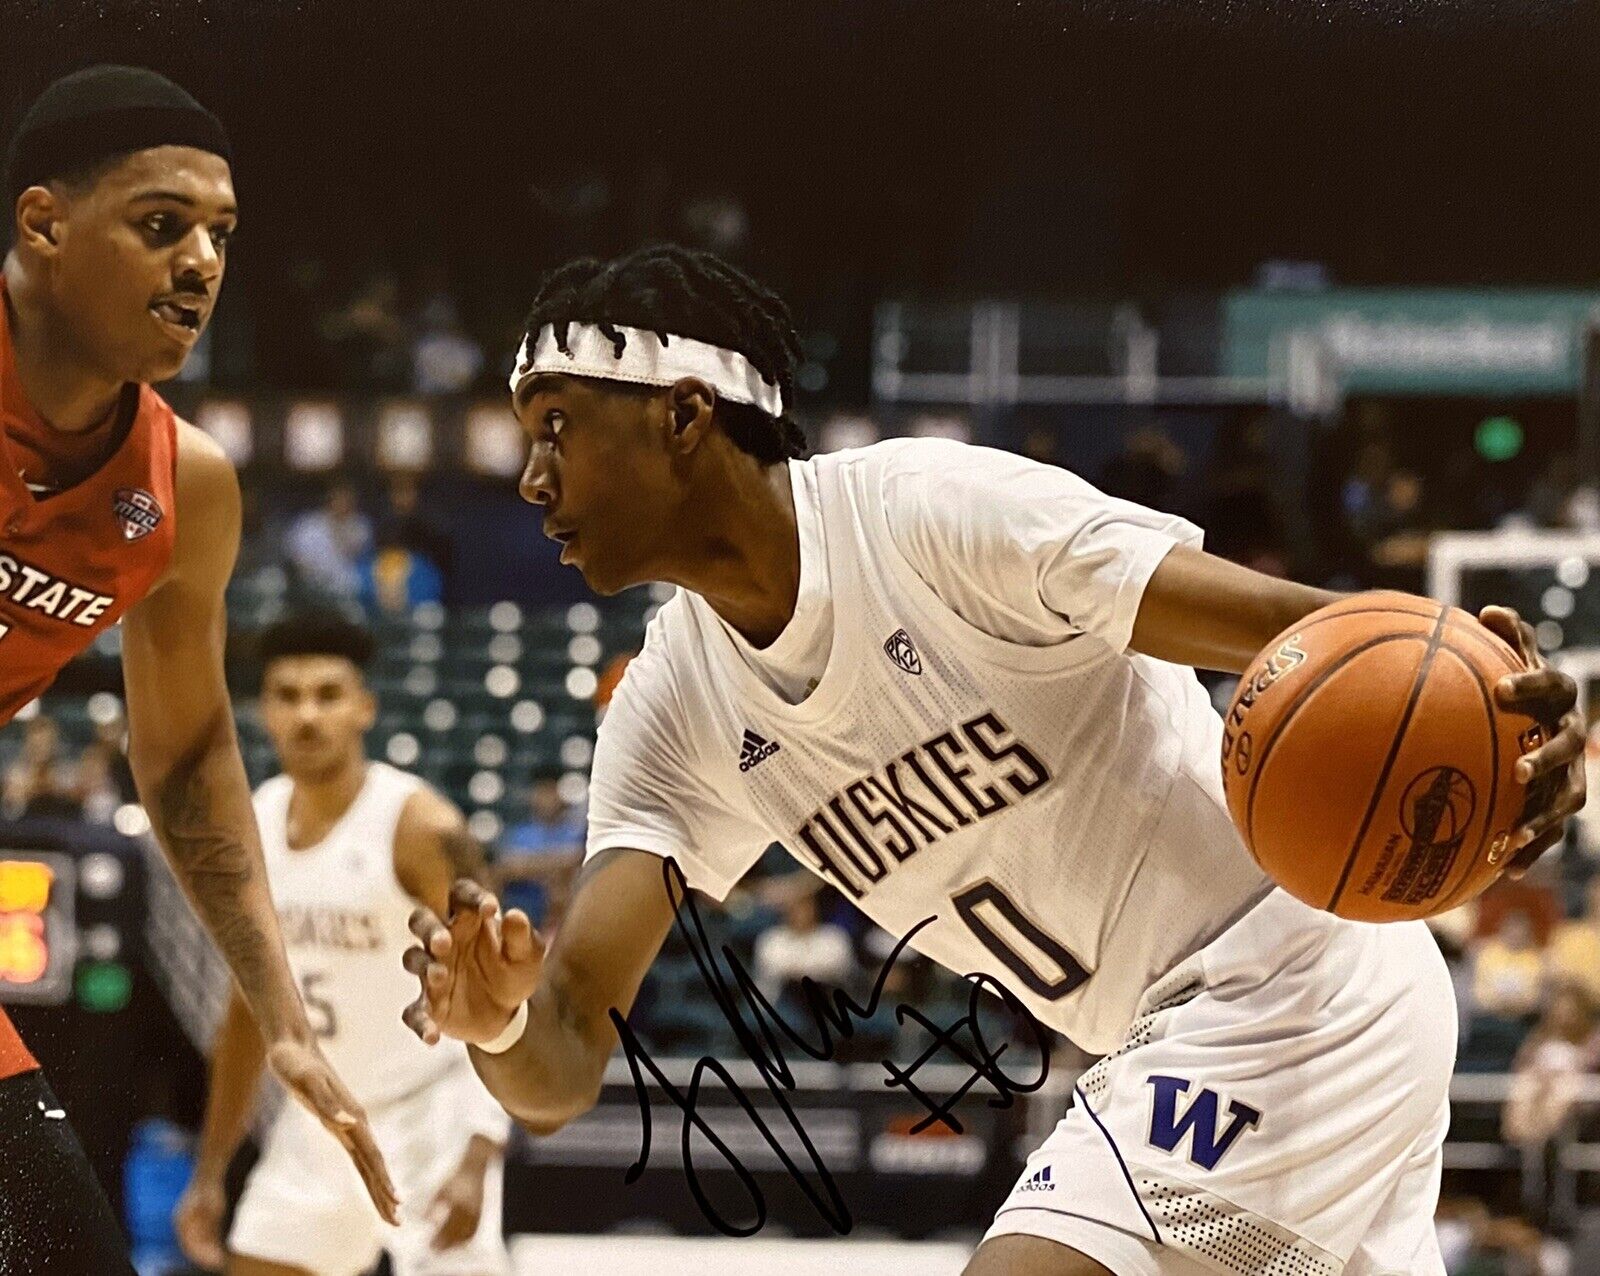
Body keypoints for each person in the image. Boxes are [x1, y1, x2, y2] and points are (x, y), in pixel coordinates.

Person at [400, 245, 1588, 1276]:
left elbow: (1301, 635)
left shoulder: (923, 513)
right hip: (1174, 1031)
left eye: (557, 424)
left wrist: (1481, 704)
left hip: (1289, 978)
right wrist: (496, 1023)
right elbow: (560, 1057)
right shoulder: (670, 709)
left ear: (680, 411)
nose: (529, 478)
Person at [0, 66, 394, 1272]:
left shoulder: (186, 491)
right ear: (44, 223)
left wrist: (281, 1018)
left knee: (68, 1243)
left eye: (220, 236)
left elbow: (184, 757)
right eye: (161, 225)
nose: (202, 265)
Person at [175, 613, 510, 1276]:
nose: (307, 714)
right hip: (319, 1122)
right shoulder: (254, 826)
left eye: (327, 695)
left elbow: (499, 991)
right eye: (287, 695)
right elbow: (249, 1012)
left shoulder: (418, 825)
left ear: (364, 707)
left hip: (429, 1119)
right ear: (264, 711)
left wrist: (481, 1149)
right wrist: (211, 1171)